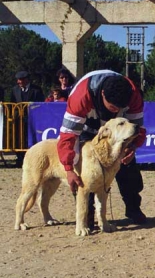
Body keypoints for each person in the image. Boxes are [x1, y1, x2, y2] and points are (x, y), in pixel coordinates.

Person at [58, 70, 147, 228]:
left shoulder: (133, 95)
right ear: (103, 94)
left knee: (129, 167)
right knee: (87, 172)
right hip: (86, 130)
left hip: (117, 132)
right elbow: (68, 136)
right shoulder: (80, 96)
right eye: (113, 107)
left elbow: (138, 128)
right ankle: (88, 215)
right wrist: (69, 168)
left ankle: (133, 208)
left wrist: (132, 147)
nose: (115, 110)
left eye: (120, 108)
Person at [10, 71, 45, 167]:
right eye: (18, 80)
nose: (19, 82)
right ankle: (19, 159)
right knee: (18, 138)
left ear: (26, 80)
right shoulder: (15, 90)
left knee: (30, 138)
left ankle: (31, 159)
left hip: (32, 119)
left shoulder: (36, 90)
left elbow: (41, 103)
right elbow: (12, 103)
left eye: (20, 80)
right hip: (19, 119)